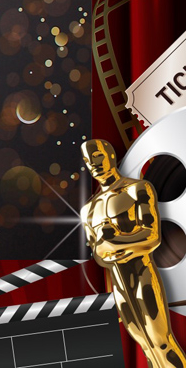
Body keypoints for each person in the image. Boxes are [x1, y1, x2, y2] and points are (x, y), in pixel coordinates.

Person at [81, 138, 186, 366]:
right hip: (119, 284)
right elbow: (98, 254)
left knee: (161, 342)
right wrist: (116, 244)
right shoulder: (88, 210)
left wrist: (114, 241)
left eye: (97, 156)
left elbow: (151, 236)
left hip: (142, 274)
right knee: (146, 347)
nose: (93, 164)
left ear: (110, 156)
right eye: (88, 160)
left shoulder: (137, 189)